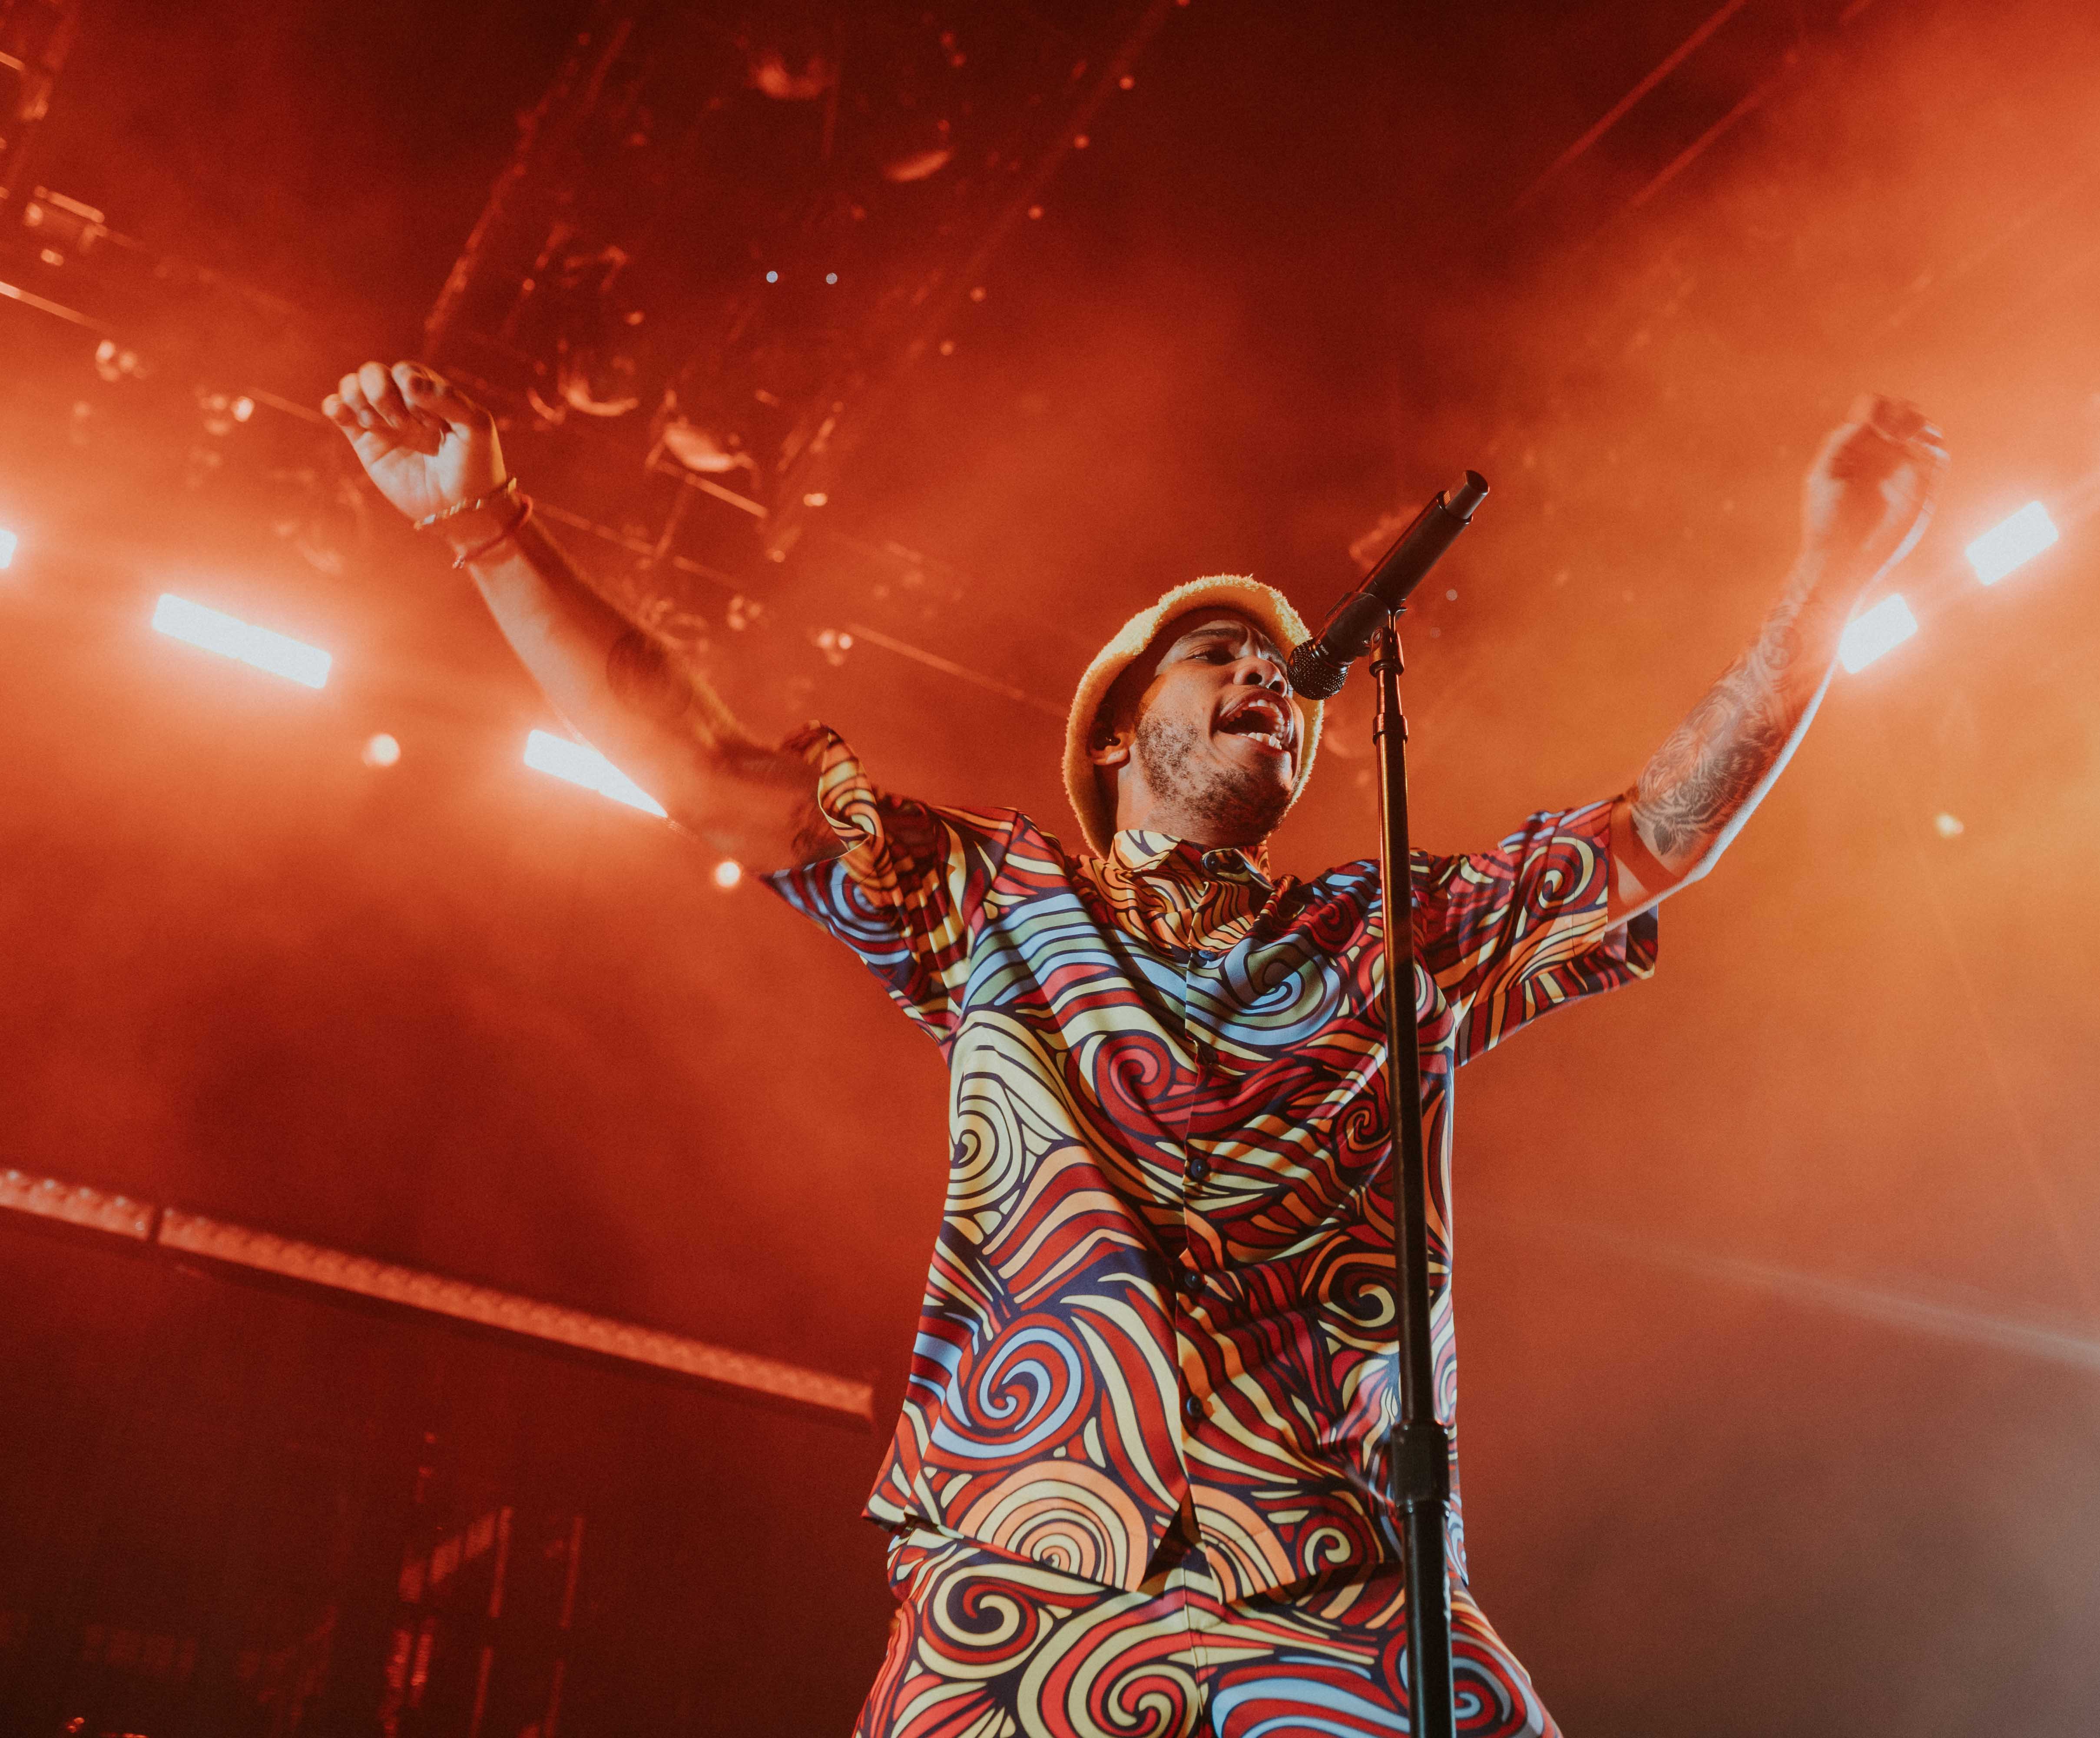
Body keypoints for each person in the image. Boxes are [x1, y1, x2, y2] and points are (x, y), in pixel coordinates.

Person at [325, 358, 1947, 1737]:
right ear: (1117, 728)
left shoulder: (1391, 938)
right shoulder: (991, 901)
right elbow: (707, 773)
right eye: (1217, 653)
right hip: (1025, 1586)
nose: (1268, 677)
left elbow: (1653, 836)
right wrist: (489, 527)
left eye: (1283, 668)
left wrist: (1835, 576)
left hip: (1337, 1585)